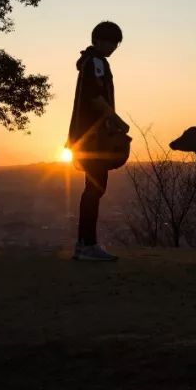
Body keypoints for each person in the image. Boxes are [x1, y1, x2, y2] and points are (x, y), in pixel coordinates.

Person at [68, 21, 128, 262]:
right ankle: (87, 245)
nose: (113, 47)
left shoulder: (89, 62)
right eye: (111, 41)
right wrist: (117, 120)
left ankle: (85, 244)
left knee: (93, 188)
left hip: (85, 136)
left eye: (116, 43)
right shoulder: (96, 62)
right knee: (95, 188)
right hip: (94, 138)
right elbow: (96, 97)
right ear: (99, 40)